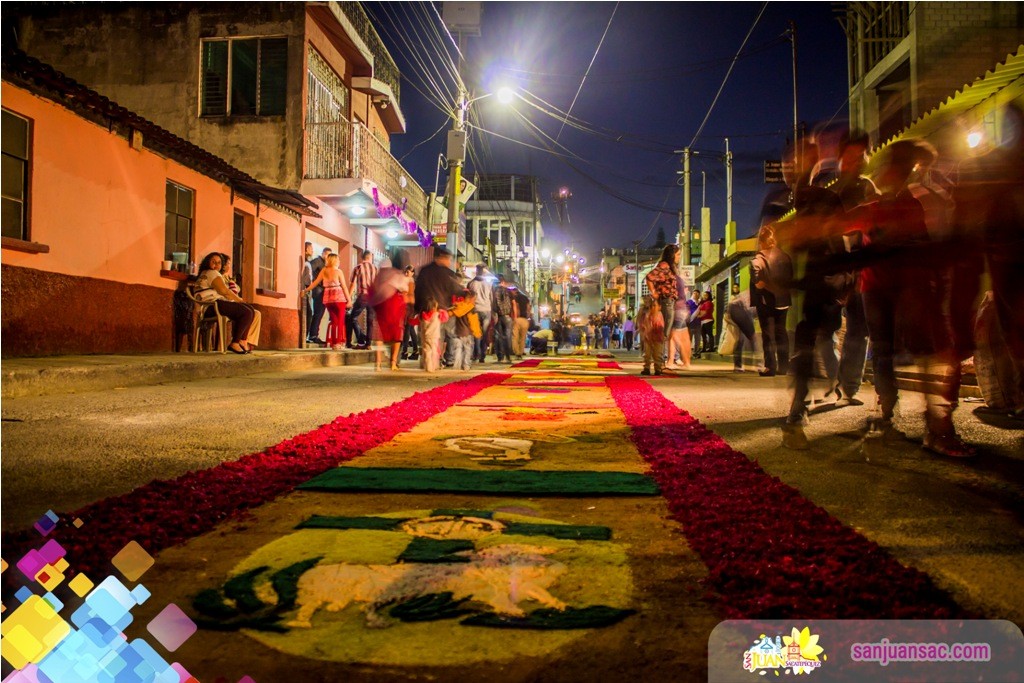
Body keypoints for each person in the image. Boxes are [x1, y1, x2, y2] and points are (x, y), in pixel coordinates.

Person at [193, 252, 256, 355]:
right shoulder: (211, 273)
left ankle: (241, 341)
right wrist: (239, 300)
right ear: (207, 262)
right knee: (247, 311)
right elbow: (224, 291)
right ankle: (235, 342)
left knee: (249, 309)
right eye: (213, 262)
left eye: (219, 263)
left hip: (210, 306)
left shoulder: (205, 273)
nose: (216, 265)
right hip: (212, 306)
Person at [750, 225, 792, 376]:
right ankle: (784, 367)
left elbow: (757, 280)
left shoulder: (758, 258)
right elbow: (790, 278)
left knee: (768, 334)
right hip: (783, 300)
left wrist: (761, 283)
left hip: (765, 300)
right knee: (782, 333)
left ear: (761, 241)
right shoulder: (785, 256)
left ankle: (770, 367)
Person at [369, 254, 412, 371]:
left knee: (379, 336)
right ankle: (393, 363)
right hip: (395, 308)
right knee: (397, 336)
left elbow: (372, 292)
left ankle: (377, 364)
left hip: (381, 309)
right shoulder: (397, 275)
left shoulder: (377, 277)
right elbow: (405, 290)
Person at [302, 253, 352, 351]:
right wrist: (349, 300)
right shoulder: (338, 271)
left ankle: (334, 343)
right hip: (338, 297)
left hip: (328, 298)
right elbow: (344, 287)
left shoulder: (324, 270)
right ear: (335, 260)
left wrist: (305, 290)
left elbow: (315, 283)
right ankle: (339, 343)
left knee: (334, 321)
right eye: (338, 259)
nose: (339, 261)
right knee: (340, 321)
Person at [217, 253, 262, 351]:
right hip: (226, 303)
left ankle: (247, 341)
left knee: (257, 313)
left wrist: (231, 282)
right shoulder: (218, 276)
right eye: (228, 263)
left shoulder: (227, 277)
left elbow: (236, 289)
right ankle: (239, 341)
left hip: (232, 303)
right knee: (248, 311)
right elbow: (228, 291)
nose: (229, 266)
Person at [645, 244, 681, 363]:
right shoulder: (664, 265)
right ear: (672, 255)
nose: (679, 257)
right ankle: (659, 362)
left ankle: (659, 361)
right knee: (663, 333)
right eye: (678, 254)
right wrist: (654, 292)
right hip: (666, 302)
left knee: (665, 333)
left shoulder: (670, 267)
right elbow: (649, 277)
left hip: (669, 302)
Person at [348, 250, 378, 350]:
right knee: (370, 321)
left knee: (352, 317)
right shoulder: (375, 268)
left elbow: (352, 284)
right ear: (370, 257)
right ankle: (368, 344)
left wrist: (348, 297)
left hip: (363, 296)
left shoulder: (358, 267)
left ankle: (361, 340)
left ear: (362, 257)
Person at [725, 284, 756, 372]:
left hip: (746, 320)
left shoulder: (749, 296)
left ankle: (742, 365)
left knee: (748, 342)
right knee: (741, 342)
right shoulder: (742, 297)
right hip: (741, 320)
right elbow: (730, 309)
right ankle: (739, 366)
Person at [468, 264, 493, 361]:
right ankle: (482, 355)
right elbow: (491, 298)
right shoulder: (489, 284)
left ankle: (476, 354)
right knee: (485, 333)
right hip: (486, 310)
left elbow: (469, 298)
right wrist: (493, 312)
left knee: (476, 333)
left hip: (475, 310)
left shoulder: (471, 283)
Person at [417, 298, 449, 373]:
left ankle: (428, 367)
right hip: (434, 336)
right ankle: (434, 366)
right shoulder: (437, 315)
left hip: (425, 337)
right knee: (434, 352)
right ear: (434, 307)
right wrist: (442, 311)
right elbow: (445, 318)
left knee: (427, 352)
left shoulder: (422, 315)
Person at [636, 295, 665, 376]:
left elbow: (661, 326)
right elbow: (640, 322)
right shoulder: (644, 312)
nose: (653, 307)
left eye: (655, 305)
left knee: (657, 353)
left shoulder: (659, 314)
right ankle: (647, 368)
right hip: (647, 335)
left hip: (657, 336)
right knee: (647, 353)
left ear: (659, 307)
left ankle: (658, 369)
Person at [666, 278, 692, 370]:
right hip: (679, 309)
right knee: (675, 337)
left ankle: (685, 362)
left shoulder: (671, 279)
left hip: (675, 310)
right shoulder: (678, 279)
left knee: (678, 337)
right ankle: (672, 361)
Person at [307, 247, 331, 345]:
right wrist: (311, 283)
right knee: (318, 313)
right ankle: (313, 335)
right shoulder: (317, 261)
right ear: (324, 254)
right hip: (318, 290)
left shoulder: (324, 264)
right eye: (328, 255)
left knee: (319, 313)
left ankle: (313, 334)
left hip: (322, 290)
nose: (329, 258)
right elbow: (309, 269)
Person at [449, 289, 477, 370]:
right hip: (467, 332)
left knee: (458, 349)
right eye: (474, 299)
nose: (474, 301)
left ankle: (457, 365)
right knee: (467, 350)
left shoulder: (458, 307)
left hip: (458, 331)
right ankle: (466, 365)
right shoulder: (471, 308)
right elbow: (473, 322)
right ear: (469, 298)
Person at [492, 274, 515, 363]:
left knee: (498, 337)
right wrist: (513, 315)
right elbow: (513, 304)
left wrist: (494, 314)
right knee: (508, 337)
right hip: (507, 316)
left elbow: (494, 303)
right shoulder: (508, 291)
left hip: (498, 316)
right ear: (503, 281)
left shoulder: (493, 291)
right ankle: (508, 356)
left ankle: (500, 357)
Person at [400, 266, 419, 362]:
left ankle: (405, 352)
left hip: (409, 308)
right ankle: (415, 352)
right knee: (410, 329)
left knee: (407, 329)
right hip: (409, 307)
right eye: (406, 271)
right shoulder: (409, 281)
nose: (406, 273)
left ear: (412, 273)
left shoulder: (410, 282)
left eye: (408, 272)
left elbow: (407, 294)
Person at [511, 286, 531, 361]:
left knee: (515, 337)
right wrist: (528, 316)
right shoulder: (525, 298)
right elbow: (528, 307)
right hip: (525, 320)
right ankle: (521, 352)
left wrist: (515, 317)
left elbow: (515, 307)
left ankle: (517, 353)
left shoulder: (515, 298)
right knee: (523, 337)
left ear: (514, 291)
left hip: (518, 319)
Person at [301, 242, 314, 339]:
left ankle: (305, 336)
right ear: (306, 249)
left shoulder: (307, 262)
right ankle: (305, 336)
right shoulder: (306, 263)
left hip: (307, 290)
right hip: (305, 290)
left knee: (309, 313)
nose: (312, 250)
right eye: (310, 248)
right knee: (309, 313)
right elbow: (306, 278)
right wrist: (307, 289)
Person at [686, 289, 703, 358]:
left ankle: (696, 352)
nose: (695, 295)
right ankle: (687, 353)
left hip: (698, 323)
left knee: (698, 339)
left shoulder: (700, 303)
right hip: (690, 323)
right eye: (694, 293)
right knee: (689, 339)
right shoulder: (689, 302)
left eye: (697, 294)